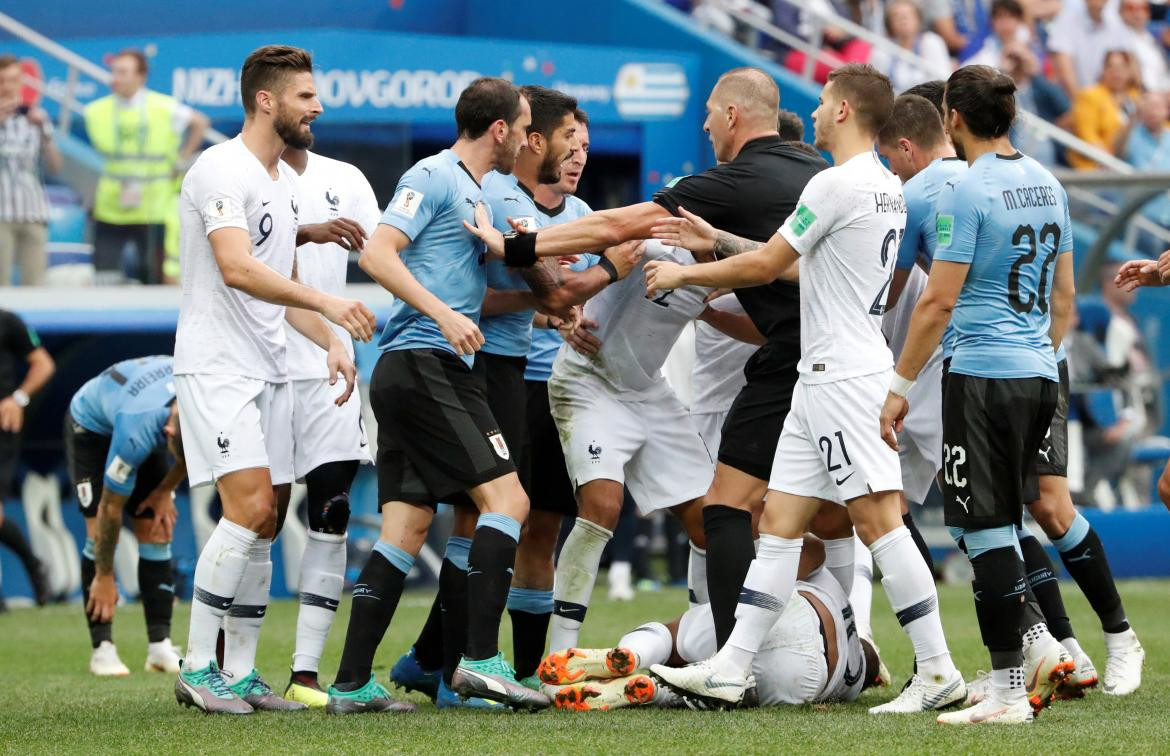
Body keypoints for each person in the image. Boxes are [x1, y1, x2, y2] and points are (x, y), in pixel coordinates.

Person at [466, 67, 830, 659]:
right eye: (573, 145)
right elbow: (568, 278)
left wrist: (705, 301)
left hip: (647, 391)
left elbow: (756, 316)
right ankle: (560, 656)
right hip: (587, 383)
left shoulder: (717, 257)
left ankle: (727, 640)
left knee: (712, 522)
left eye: (711, 111)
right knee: (600, 506)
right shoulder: (656, 229)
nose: (706, 122)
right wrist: (566, 298)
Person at [642, 64, 964, 715]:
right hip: (828, 375)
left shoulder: (835, 182)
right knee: (782, 523)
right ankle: (732, 666)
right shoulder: (883, 188)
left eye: (821, 102)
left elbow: (768, 265)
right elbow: (804, 265)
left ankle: (938, 670)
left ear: (844, 111)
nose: (812, 113)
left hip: (842, 377)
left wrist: (684, 278)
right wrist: (716, 240)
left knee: (881, 523)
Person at [326, 77, 549, 714]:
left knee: (405, 527)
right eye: (523, 124)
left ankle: (349, 685)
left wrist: (539, 305)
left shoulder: (478, 194)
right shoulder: (436, 174)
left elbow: (457, 285)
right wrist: (443, 316)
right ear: (500, 129)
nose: (528, 138)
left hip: (412, 368)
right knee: (508, 499)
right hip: (428, 362)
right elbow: (377, 253)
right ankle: (479, 662)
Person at [877, 90, 1106, 708]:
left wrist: (895, 387)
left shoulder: (953, 192)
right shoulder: (1047, 182)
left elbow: (924, 299)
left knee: (969, 523)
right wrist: (1038, 354)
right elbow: (1066, 299)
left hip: (973, 370)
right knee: (1005, 516)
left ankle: (1002, 681)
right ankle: (1061, 650)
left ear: (953, 120)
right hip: (1039, 369)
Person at [173, 44, 372, 715]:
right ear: (267, 100)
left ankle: (243, 672)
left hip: (262, 368)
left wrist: (331, 344)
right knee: (253, 507)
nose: (318, 107)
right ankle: (199, 667)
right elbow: (236, 267)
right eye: (307, 96)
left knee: (262, 518)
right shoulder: (221, 169)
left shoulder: (280, 184)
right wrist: (329, 304)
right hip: (216, 365)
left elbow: (279, 292)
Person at [538, 536, 882, 710]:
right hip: (802, 684)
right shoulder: (850, 682)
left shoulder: (841, 596)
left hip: (794, 614)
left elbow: (810, 553)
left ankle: (631, 653)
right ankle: (653, 690)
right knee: (722, 690)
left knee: (673, 637)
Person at [277, 145, 380, 707]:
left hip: (327, 366)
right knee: (256, 518)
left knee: (333, 511)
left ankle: (305, 674)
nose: (312, 106)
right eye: (302, 95)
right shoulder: (235, 169)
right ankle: (222, 665)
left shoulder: (346, 177)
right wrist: (308, 231)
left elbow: (387, 250)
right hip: (261, 365)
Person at [66, 355, 186, 677]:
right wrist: (105, 576)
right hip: (92, 427)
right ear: (167, 431)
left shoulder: (204, 400)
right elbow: (111, 509)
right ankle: (102, 649)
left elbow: (191, 458)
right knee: (99, 533)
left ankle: (160, 647)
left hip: (137, 404)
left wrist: (164, 491)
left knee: (158, 527)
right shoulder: (138, 431)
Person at [84, 49, 210, 284]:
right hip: (111, 205)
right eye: (113, 71)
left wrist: (182, 159)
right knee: (104, 275)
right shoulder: (95, 111)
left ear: (141, 76)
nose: (115, 77)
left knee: (151, 275)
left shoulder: (164, 107)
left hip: (153, 207)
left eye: (122, 72)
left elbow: (200, 123)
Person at [0, 307, 54, 608]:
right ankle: (34, 566)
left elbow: (43, 364)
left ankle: (34, 566)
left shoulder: (8, 321)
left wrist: (18, 399)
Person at [0, 54, 61, 286]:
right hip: (1, 215)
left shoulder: (38, 118)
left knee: (35, 285)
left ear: (21, 82)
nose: (7, 86)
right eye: (2, 80)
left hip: (33, 212)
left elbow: (55, 167)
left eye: (13, 80)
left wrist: (45, 136)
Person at [1069, 50, 1140, 170]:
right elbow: (1087, 136)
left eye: (1122, 67)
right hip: (1100, 166)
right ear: (1103, 70)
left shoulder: (1137, 98)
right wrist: (1110, 159)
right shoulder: (1089, 96)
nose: (1116, 72)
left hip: (1137, 162)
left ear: (1130, 71)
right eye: (1110, 66)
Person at [1047, 0, 1135, 97]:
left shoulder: (1116, 22)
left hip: (1110, 100)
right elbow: (1063, 66)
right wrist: (1083, 103)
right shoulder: (1066, 20)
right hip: (1076, 99)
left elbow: (1128, 63)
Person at [868, 0, 953, 95]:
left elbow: (943, 78)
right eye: (897, 16)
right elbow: (875, 87)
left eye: (908, 15)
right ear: (889, 23)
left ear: (918, 19)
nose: (903, 20)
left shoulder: (932, 42)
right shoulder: (882, 50)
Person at [1120, 0, 1169, 93]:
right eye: (1131, 8)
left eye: (1143, 8)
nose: (1137, 13)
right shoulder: (1118, 39)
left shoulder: (1151, 37)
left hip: (1163, 91)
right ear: (1121, 12)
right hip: (1144, 95)